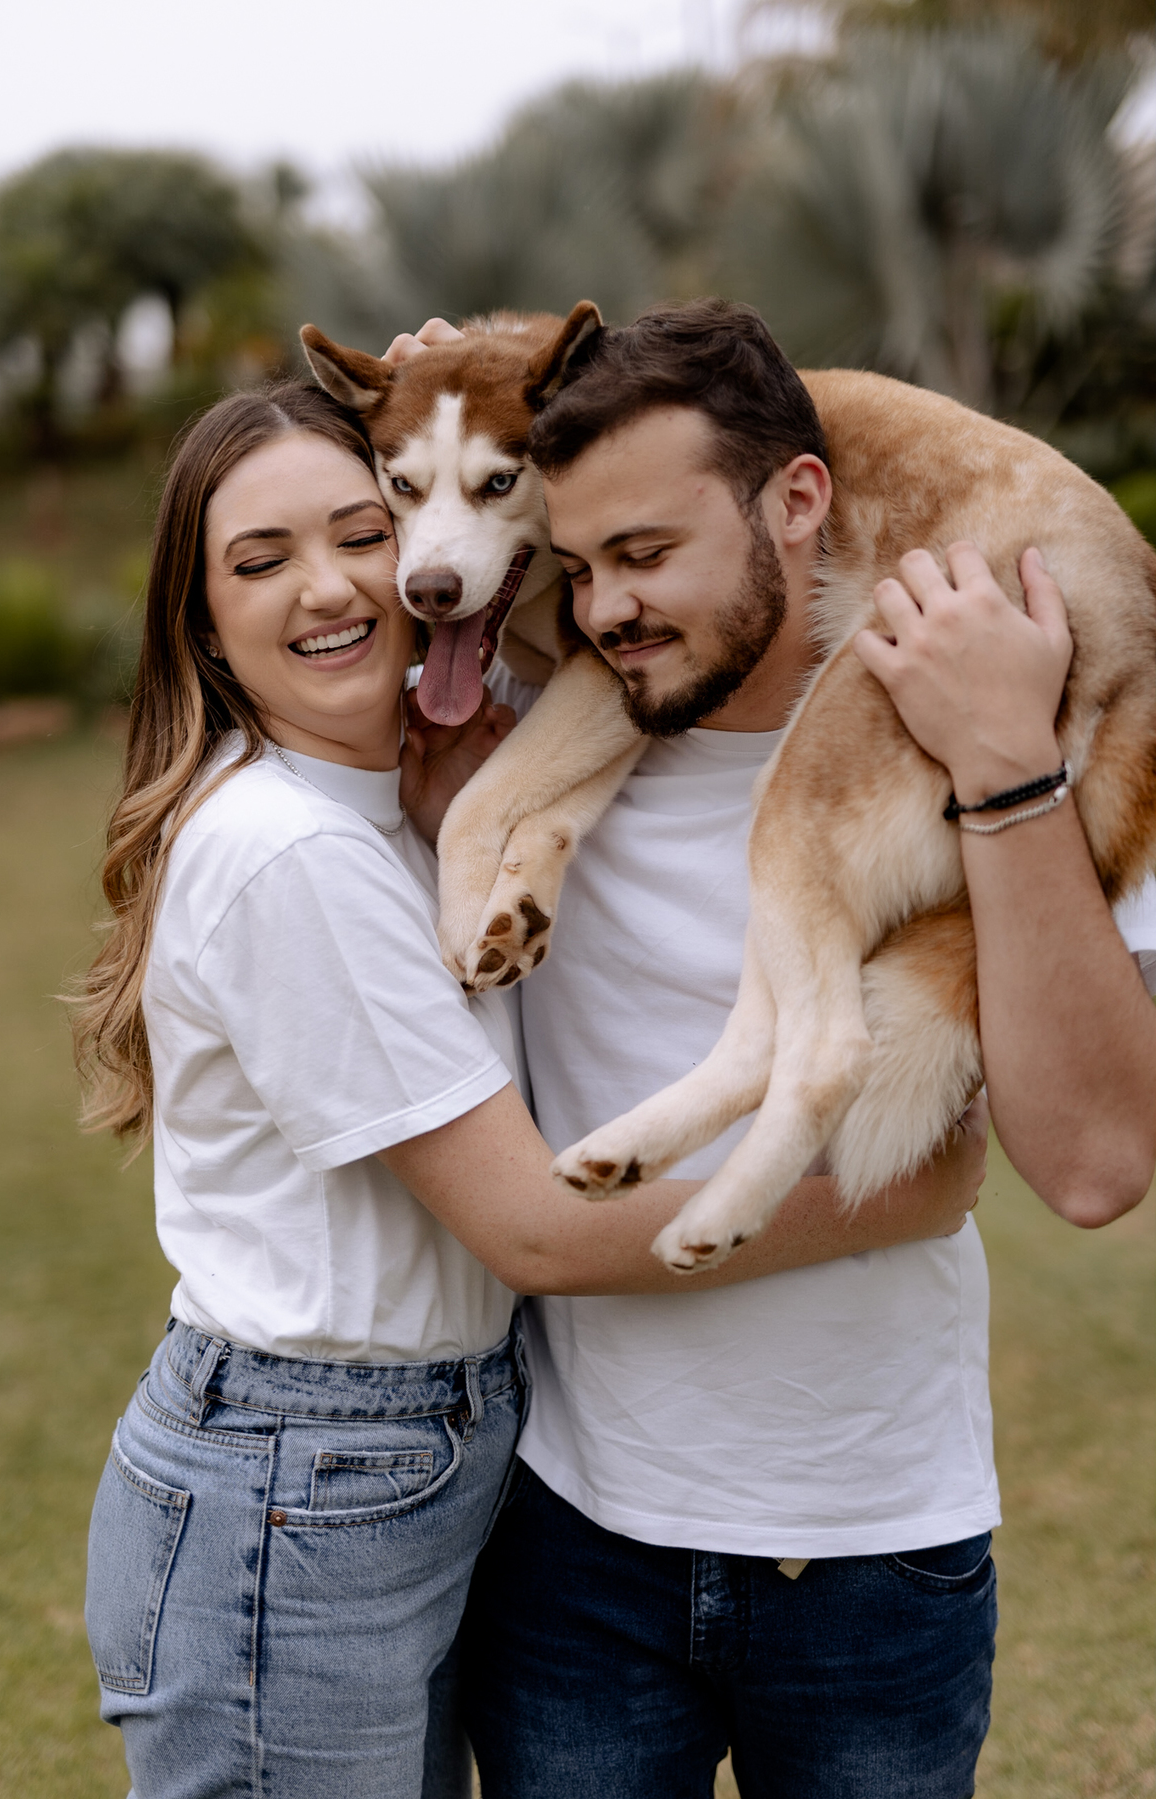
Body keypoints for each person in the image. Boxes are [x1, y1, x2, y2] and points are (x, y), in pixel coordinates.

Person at [71, 377, 981, 1799]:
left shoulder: (397, 809)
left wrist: (453, 825)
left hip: (422, 1473)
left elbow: (619, 428)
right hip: (304, 1480)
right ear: (200, 620)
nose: (338, 584)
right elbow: (535, 1234)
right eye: (260, 561)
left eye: (364, 532)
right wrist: (891, 1197)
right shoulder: (287, 853)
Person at [442, 300, 1156, 1798]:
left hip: (876, 1562)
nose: (608, 612)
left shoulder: (1033, 721)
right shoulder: (523, 743)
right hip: (568, 1539)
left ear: (800, 498)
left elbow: (1096, 1165)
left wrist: (1008, 776)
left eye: (648, 557)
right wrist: (902, 1192)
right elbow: (345, 516)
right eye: (579, 571)